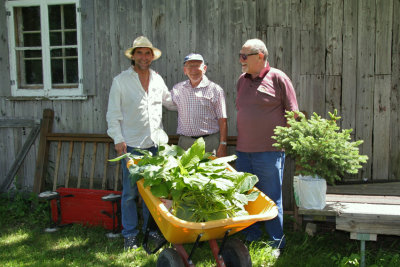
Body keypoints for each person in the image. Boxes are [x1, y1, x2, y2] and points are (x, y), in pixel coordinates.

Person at [106, 36, 176, 250]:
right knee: (129, 194)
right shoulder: (121, 81)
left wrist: (192, 93)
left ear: (152, 57)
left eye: (148, 53)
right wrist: (118, 139)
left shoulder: (157, 79)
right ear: (133, 56)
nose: (144, 57)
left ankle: (151, 231)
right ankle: (130, 235)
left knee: (154, 193)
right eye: (140, 53)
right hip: (131, 147)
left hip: (155, 146)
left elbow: (171, 103)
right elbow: (112, 115)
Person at [235, 39, 299, 253]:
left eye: (245, 56)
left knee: (271, 198)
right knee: (247, 196)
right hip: (243, 152)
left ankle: (276, 242)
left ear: (260, 56)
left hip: (270, 153)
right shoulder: (241, 81)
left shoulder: (278, 78)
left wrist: (284, 143)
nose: (241, 60)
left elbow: (293, 113)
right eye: (240, 55)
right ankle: (251, 237)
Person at [171, 53, 228, 157]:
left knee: (211, 173)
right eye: (190, 66)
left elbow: (222, 119)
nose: (194, 69)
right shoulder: (177, 89)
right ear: (185, 70)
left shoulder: (215, 90)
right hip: (185, 143)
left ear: (204, 68)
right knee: (185, 173)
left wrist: (223, 144)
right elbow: (164, 101)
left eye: (197, 65)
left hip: (209, 143)